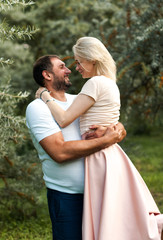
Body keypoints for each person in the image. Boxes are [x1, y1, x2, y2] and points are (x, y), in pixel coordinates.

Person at [36, 37, 163, 240]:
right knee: (117, 213)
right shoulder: (108, 83)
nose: (75, 68)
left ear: (92, 59)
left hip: (100, 157)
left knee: (112, 218)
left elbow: (64, 119)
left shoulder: (95, 82)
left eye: (78, 61)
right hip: (109, 154)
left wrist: (44, 96)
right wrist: (113, 128)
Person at [26, 54, 126, 240]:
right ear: (47, 75)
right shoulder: (37, 108)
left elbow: (113, 124)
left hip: (99, 191)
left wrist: (118, 129)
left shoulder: (78, 100)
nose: (69, 70)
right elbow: (59, 152)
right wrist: (106, 140)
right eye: (62, 66)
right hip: (66, 197)